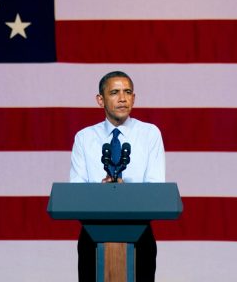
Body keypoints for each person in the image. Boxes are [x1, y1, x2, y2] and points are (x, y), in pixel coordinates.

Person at [70, 70, 165, 282]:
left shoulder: (150, 134)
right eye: (114, 92)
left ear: (134, 98)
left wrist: (125, 194)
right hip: (93, 235)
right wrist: (103, 193)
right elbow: (76, 190)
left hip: (139, 234)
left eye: (127, 92)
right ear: (100, 100)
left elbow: (155, 188)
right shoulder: (84, 138)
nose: (122, 98)